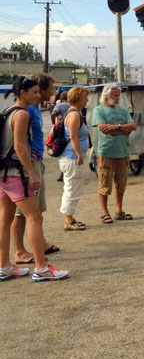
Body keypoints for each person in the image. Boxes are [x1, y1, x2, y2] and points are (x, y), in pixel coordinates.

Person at [1, 76, 69, 281]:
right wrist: (31, 172)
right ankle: (42, 267)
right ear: (23, 93)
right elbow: (20, 146)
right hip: (16, 173)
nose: (39, 96)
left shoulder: (7, 112)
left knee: (5, 220)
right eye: (35, 92)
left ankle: (4, 266)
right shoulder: (21, 114)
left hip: (3, 173)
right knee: (34, 217)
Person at [11, 73, 60, 265]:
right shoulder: (26, 111)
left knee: (33, 211)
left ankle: (39, 243)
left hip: (36, 160)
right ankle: (19, 250)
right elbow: (20, 140)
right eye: (49, 89)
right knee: (23, 213)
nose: (49, 93)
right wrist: (29, 166)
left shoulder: (34, 109)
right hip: (28, 164)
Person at [91, 84, 136, 224]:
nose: (118, 98)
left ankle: (119, 209)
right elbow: (104, 129)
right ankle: (104, 211)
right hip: (106, 152)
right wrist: (123, 130)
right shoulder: (99, 110)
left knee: (121, 182)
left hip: (123, 151)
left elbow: (133, 126)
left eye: (118, 95)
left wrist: (116, 127)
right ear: (106, 95)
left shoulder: (123, 110)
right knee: (105, 182)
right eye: (115, 95)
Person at [58, 87, 90, 231]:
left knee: (73, 187)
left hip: (71, 156)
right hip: (72, 157)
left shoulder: (74, 113)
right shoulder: (74, 115)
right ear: (77, 98)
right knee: (72, 188)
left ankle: (69, 217)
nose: (87, 100)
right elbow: (73, 136)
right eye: (85, 97)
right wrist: (78, 155)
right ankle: (68, 220)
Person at [52, 92, 70, 182]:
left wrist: (54, 124)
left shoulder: (59, 106)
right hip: (70, 129)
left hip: (61, 131)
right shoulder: (72, 105)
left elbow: (53, 113)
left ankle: (62, 173)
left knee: (61, 150)